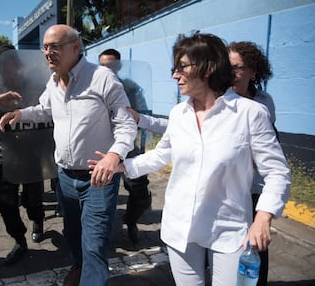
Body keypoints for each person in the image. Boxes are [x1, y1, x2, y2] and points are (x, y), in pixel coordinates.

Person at [88, 33, 291, 286]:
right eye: (174, 68)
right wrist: (123, 165)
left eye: (181, 67)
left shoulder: (250, 113)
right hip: (180, 227)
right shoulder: (179, 114)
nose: (175, 75)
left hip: (228, 230)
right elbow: (163, 152)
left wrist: (263, 218)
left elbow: (277, 172)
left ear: (209, 67)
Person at [0, 24, 137, 286]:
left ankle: (90, 275)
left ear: (76, 47)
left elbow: (126, 123)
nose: (49, 53)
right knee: (72, 232)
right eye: (46, 48)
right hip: (64, 177)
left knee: (94, 242)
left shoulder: (102, 78)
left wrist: (114, 155)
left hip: (98, 176)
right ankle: (78, 265)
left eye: (55, 47)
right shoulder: (53, 82)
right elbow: (44, 109)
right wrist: (21, 114)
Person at [0, 44, 47, 265]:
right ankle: (19, 239)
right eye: (3, 63)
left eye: (12, 61)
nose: (8, 67)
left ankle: (37, 220)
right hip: (4, 153)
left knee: (33, 198)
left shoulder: (33, 85)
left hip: (31, 151)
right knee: (4, 201)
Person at [228, 41, 277, 286]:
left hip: (254, 188)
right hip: (228, 188)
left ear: (253, 71)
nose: (232, 74)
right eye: (228, 68)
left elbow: (269, 147)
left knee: (255, 246)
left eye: (238, 68)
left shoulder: (263, 102)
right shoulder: (218, 99)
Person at [98, 48, 152, 243]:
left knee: (140, 194)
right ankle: (101, 233)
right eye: (103, 66)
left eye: (111, 65)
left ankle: (131, 220)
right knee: (101, 194)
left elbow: (142, 113)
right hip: (102, 148)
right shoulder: (93, 87)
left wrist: (141, 143)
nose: (108, 69)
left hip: (129, 146)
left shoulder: (131, 87)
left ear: (119, 66)